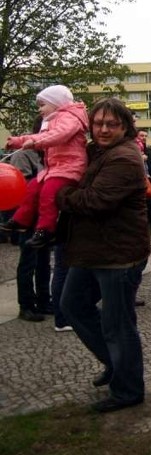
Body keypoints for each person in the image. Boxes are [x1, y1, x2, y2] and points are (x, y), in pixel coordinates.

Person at [56, 98, 150, 413]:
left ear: (125, 127)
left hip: (118, 255)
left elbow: (95, 201)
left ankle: (128, 390)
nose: (104, 129)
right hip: (93, 251)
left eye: (112, 124)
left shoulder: (124, 157)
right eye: (98, 123)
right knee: (73, 305)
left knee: (118, 324)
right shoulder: (98, 152)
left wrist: (60, 195)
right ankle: (114, 362)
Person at [1, 85, 89, 248]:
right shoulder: (53, 120)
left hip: (70, 166)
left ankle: (46, 229)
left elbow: (59, 135)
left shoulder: (69, 118)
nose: (40, 110)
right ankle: (21, 219)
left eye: (42, 105)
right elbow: (42, 136)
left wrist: (35, 143)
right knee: (32, 188)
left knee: (48, 194)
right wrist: (17, 141)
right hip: (55, 168)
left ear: (56, 103)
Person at [8, 117, 51, 322]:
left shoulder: (48, 153)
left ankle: (44, 299)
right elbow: (20, 185)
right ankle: (25, 304)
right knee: (28, 261)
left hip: (44, 216)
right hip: (28, 216)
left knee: (44, 260)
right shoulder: (24, 153)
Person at [136, 129, 151, 233]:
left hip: (150, 180)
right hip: (141, 181)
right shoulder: (136, 150)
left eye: (145, 136)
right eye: (142, 136)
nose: (144, 138)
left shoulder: (148, 150)